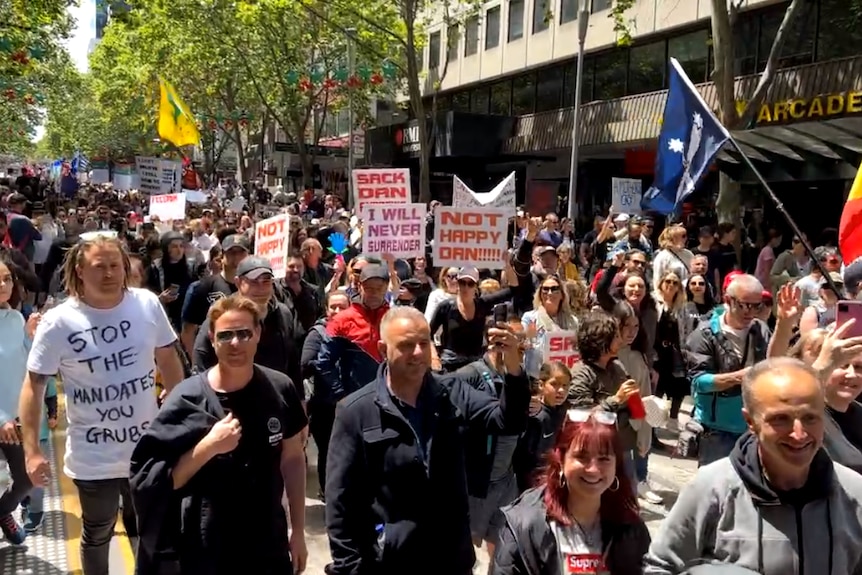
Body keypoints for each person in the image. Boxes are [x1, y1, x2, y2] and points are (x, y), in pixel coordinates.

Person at [19, 233, 184, 575]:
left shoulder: (146, 304)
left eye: (115, 265)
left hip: (148, 451)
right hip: (94, 457)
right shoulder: (59, 321)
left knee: (154, 530)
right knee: (97, 534)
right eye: (99, 267)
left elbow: (168, 359)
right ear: (80, 270)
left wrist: (179, 413)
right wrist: (32, 451)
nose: (109, 274)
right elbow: (34, 386)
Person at [325, 306, 531, 575]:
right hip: (389, 564)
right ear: (382, 347)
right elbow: (340, 502)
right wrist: (351, 567)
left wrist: (513, 366)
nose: (418, 353)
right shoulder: (355, 411)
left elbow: (509, 421)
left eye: (424, 342)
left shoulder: (452, 393)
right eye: (406, 345)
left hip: (450, 560)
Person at [130, 295, 308, 575]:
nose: (235, 343)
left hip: (266, 540)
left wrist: (298, 531)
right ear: (212, 339)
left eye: (244, 333)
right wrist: (208, 447)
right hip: (207, 545)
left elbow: (293, 459)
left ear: (258, 334)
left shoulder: (280, 387)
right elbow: (157, 480)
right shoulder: (187, 397)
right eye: (225, 336)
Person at [644, 357, 862, 575]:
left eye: (810, 418)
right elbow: (659, 568)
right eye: (780, 419)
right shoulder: (711, 489)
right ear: (750, 422)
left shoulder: (855, 493)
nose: (799, 433)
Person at [493, 409, 650, 575]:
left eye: (604, 459)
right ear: (561, 460)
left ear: (616, 465)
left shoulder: (631, 527)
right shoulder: (523, 525)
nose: (593, 470)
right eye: (582, 457)